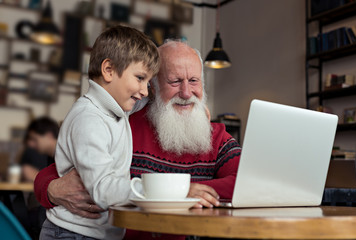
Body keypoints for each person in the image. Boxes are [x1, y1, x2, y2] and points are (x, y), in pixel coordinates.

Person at [34, 41, 241, 240]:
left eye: (194, 81)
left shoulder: (214, 135)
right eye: (174, 81)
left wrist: (178, 194)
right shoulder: (123, 123)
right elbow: (60, 170)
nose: (187, 93)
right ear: (153, 86)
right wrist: (50, 189)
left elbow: (248, 181)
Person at [39, 25, 160, 240]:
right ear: (109, 70)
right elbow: (103, 189)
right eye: (140, 78)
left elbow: (152, 100)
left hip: (93, 233)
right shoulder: (90, 119)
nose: (144, 90)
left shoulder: (116, 107)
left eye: (148, 82)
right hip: (72, 234)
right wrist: (158, 191)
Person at [19, 117, 58, 239]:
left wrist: (37, 176)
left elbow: (59, 186)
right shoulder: (50, 156)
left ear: (49, 135)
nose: (31, 144)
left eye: (35, 139)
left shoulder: (63, 154)